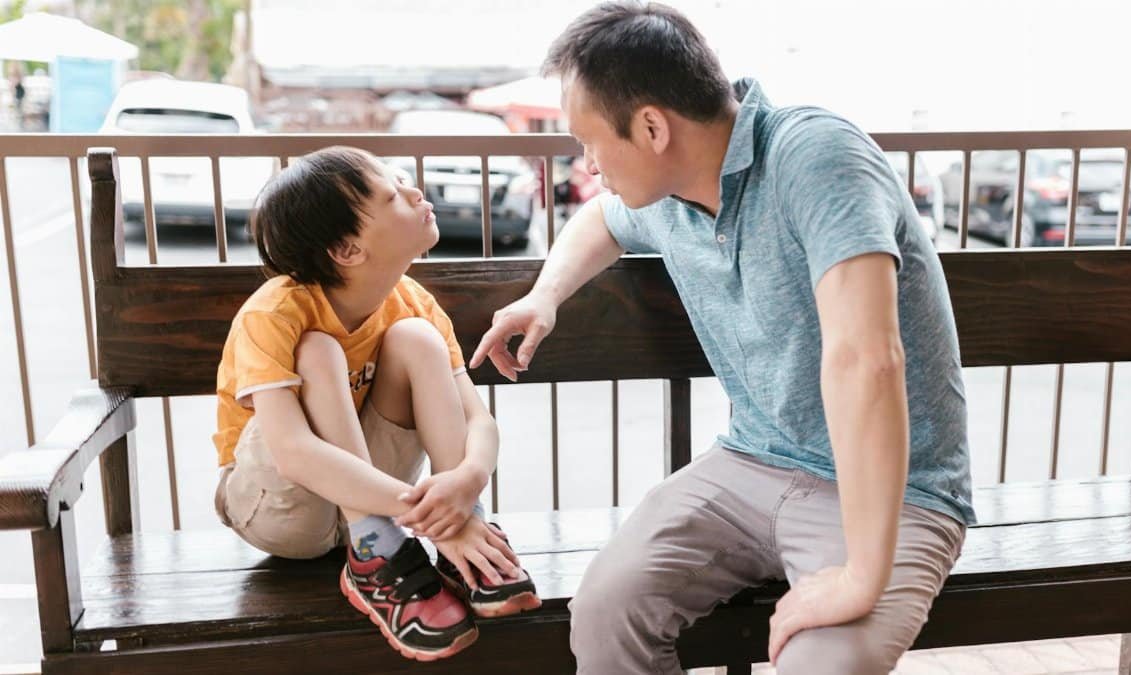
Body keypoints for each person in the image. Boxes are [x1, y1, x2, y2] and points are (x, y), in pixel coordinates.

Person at [470, 3, 974, 673]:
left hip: (896, 487)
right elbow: (602, 221)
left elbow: (866, 359)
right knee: (604, 611)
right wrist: (544, 295)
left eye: (590, 142)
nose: (587, 164)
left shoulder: (815, 154)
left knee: (823, 663)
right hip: (749, 462)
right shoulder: (672, 190)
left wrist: (859, 577)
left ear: (652, 127)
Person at [212, 146, 541, 661]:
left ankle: (462, 529)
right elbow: (294, 452)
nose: (415, 192)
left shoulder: (412, 304)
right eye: (393, 195)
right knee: (317, 349)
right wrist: (430, 515)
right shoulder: (275, 312)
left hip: (371, 496)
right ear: (347, 249)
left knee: (417, 339)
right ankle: (375, 551)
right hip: (280, 509)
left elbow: (477, 419)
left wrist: (464, 487)